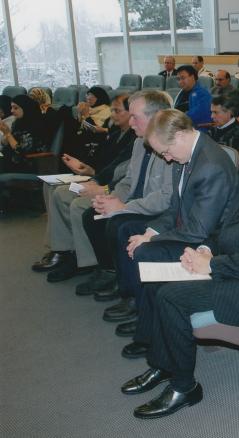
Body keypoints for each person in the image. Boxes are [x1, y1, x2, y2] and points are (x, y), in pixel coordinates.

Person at [120, 127, 239, 419]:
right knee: (157, 279)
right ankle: (163, 363)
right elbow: (223, 229)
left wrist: (212, 265)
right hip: (232, 270)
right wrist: (206, 251)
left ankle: (184, 387)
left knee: (171, 297)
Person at [116, 108, 238, 355]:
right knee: (141, 245)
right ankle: (150, 324)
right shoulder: (184, 156)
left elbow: (199, 230)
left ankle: (151, 332)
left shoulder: (211, 164)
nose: (167, 158)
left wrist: (153, 239)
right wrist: (150, 232)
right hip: (193, 231)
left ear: (181, 135)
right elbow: (175, 208)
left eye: (166, 151)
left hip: (211, 242)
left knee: (146, 254)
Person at [31, 94, 138, 283]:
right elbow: (103, 163)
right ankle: (63, 250)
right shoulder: (114, 133)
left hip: (107, 186)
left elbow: (120, 173)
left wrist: (98, 183)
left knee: (76, 203)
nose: (112, 115)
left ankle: (86, 261)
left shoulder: (134, 138)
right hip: (95, 178)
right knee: (57, 191)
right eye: (112, 110)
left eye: (117, 110)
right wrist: (85, 168)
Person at [79, 90, 173, 304]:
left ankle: (130, 292)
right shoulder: (140, 143)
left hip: (155, 210)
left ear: (155, 116)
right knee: (91, 215)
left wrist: (123, 207)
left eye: (135, 117)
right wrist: (112, 199)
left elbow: (165, 197)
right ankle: (110, 271)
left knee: (119, 225)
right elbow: (129, 181)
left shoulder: (170, 145)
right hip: (134, 203)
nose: (130, 123)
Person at [0, 95, 49, 173]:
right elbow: (6, 144)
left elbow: (21, 151)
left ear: (26, 108)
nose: (12, 111)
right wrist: (5, 132)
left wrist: (8, 134)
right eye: (11, 107)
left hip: (27, 166)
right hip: (10, 162)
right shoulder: (18, 123)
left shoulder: (36, 126)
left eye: (15, 108)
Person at [173, 65, 212, 130]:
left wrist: (175, 119)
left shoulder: (202, 94)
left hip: (199, 131)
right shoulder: (183, 92)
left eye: (183, 78)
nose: (180, 82)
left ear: (193, 77)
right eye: (178, 79)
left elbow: (195, 116)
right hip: (183, 127)